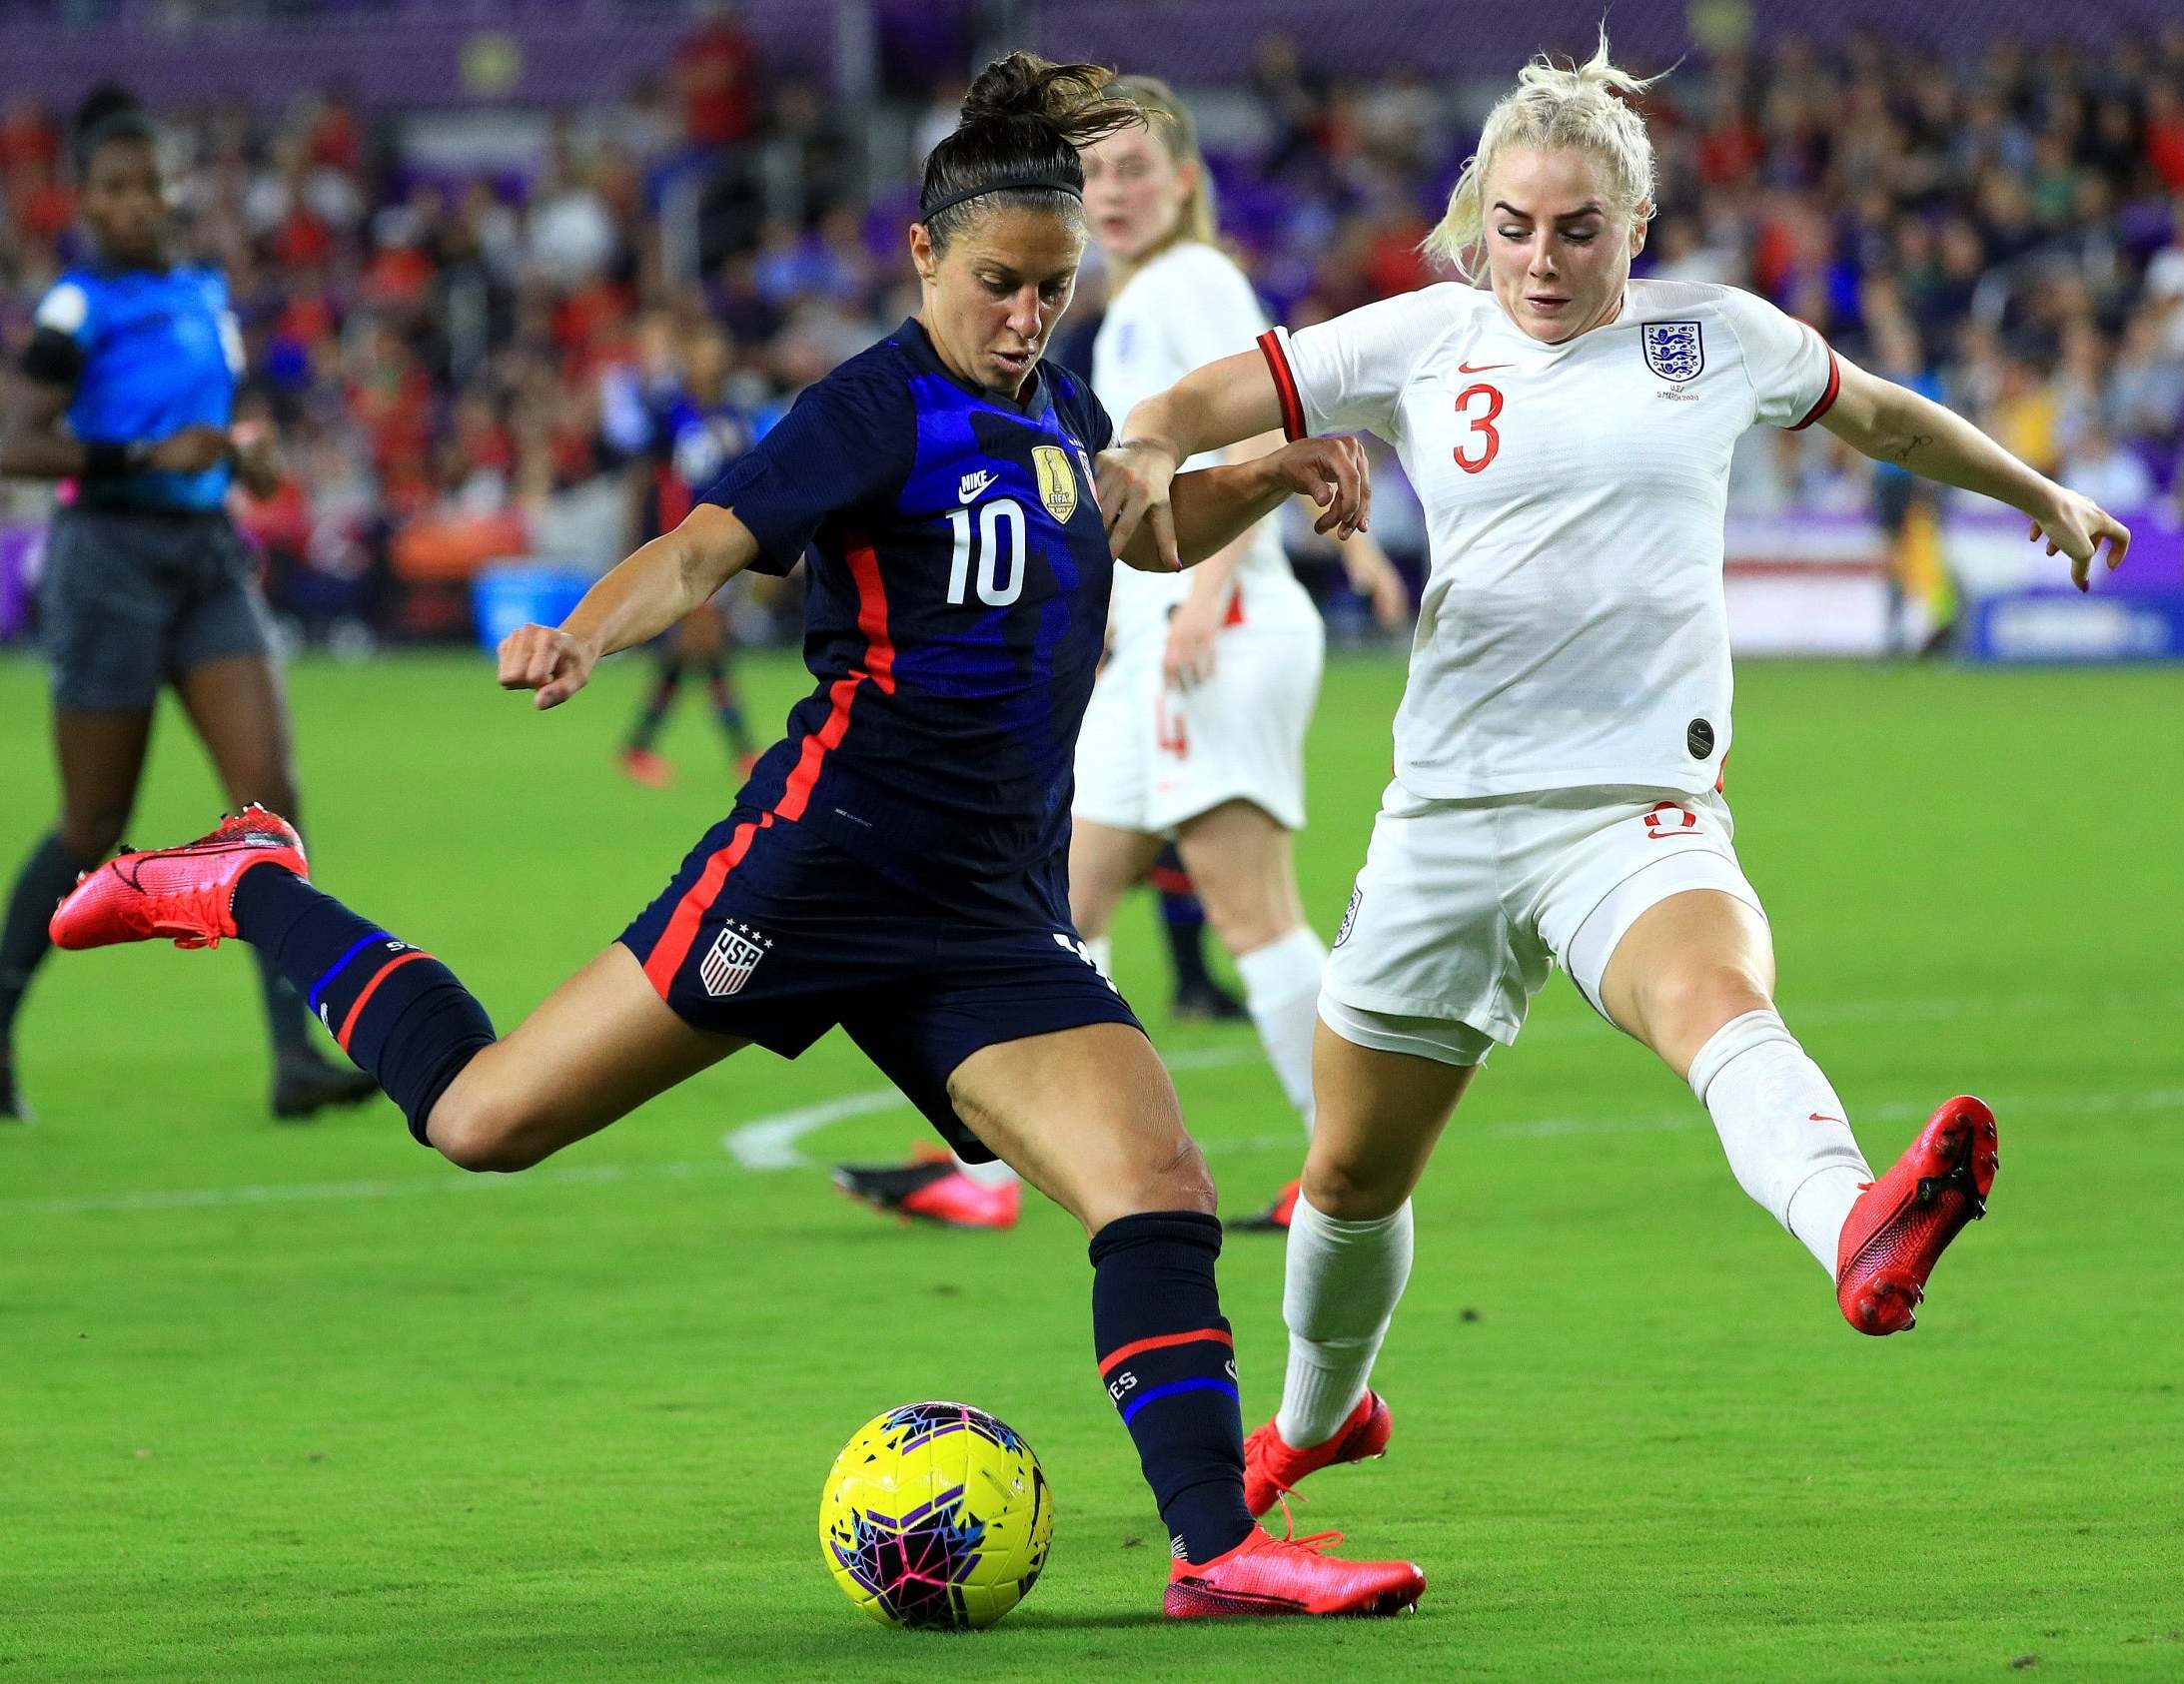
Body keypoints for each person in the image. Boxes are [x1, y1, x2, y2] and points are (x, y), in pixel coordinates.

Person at [47, 55, 1423, 1620]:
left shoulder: (1064, 409)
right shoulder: (867, 409)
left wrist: (1270, 471)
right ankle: (252, 882)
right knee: (484, 1121)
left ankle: (1217, 1551)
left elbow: (1128, 523)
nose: (1030, 316)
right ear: (923, 256)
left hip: (983, 912)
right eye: (1000, 285)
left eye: (1053, 287)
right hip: (816, 869)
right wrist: (581, 633)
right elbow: (705, 547)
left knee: (1158, 1185)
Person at [1097, 33, 2130, 1515]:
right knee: (1346, 1178)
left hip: (1633, 810)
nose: (1539, 257)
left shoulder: (1714, 339)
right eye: (1513, 226)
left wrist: (2037, 489)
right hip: (1448, 816)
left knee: (1717, 999)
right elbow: (1205, 401)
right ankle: (1321, 1416)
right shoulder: (1422, 339)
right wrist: (1138, 442)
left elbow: (1889, 416)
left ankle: (1860, 1230)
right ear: (1479, 221)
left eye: (1578, 229)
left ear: (1634, 228)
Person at [834, 75, 1409, 1235]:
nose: (1117, 192)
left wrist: (1203, 599)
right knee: (1060, 901)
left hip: (1213, 634)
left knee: (1248, 912)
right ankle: (1000, 1163)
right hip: (1168, 641)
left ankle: (1341, 1172)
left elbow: (1245, 423)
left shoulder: (1189, 283)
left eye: (1139, 170)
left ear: (1185, 182)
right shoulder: (1139, 297)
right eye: (1097, 175)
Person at [0, 86, 376, 1125]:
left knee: (268, 803)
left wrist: (242, 464)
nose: (132, 202)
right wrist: (140, 455)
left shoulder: (206, 290)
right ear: (84, 199)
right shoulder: (79, 306)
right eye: (111, 187)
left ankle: (294, 1057)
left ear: (173, 185)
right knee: (94, 822)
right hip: (108, 559)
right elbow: (15, 439)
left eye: (147, 181)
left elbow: (217, 424)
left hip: (206, 556)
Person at [608, 317, 764, 785]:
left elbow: (752, 485)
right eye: (704, 350)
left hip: (725, 544)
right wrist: (635, 536)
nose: (712, 360)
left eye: (718, 351)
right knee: (705, 641)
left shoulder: (735, 420)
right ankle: (743, 752)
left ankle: (638, 747)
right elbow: (645, 479)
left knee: (690, 649)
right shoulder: (671, 414)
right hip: (681, 543)